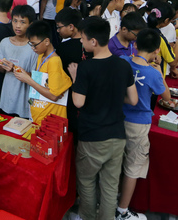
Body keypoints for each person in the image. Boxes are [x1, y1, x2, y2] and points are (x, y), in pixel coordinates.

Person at [68, 17, 138, 220]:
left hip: (92, 137)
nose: (81, 42)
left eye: (82, 39)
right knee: (109, 187)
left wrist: (75, 79)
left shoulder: (86, 68)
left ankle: (87, 216)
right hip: (117, 135)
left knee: (87, 183)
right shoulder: (123, 65)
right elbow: (133, 99)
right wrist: (113, 96)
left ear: (93, 42)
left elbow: (79, 102)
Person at [116, 28, 171, 220]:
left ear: (136, 44)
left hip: (117, 119)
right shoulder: (153, 73)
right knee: (133, 166)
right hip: (138, 124)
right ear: (157, 51)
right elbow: (167, 97)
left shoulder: (123, 61)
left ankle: (109, 200)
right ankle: (122, 211)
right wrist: (160, 72)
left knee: (115, 161)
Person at [13, 20, 71, 124]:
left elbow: (53, 95)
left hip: (49, 118)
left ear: (47, 42)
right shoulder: (41, 56)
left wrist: (28, 80)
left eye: (35, 45)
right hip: (38, 114)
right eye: (31, 44)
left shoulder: (54, 61)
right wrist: (24, 73)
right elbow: (40, 78)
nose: (33, 48)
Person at [0, 5, 37, 117]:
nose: (18, 26)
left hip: (24, 100)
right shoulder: (4, 43)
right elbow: (2, 70)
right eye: (15, 21)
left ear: (31, 24)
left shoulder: (34, 48)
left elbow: (36, 77)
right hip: (7, 97)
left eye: (23, 22)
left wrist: (15, 69)